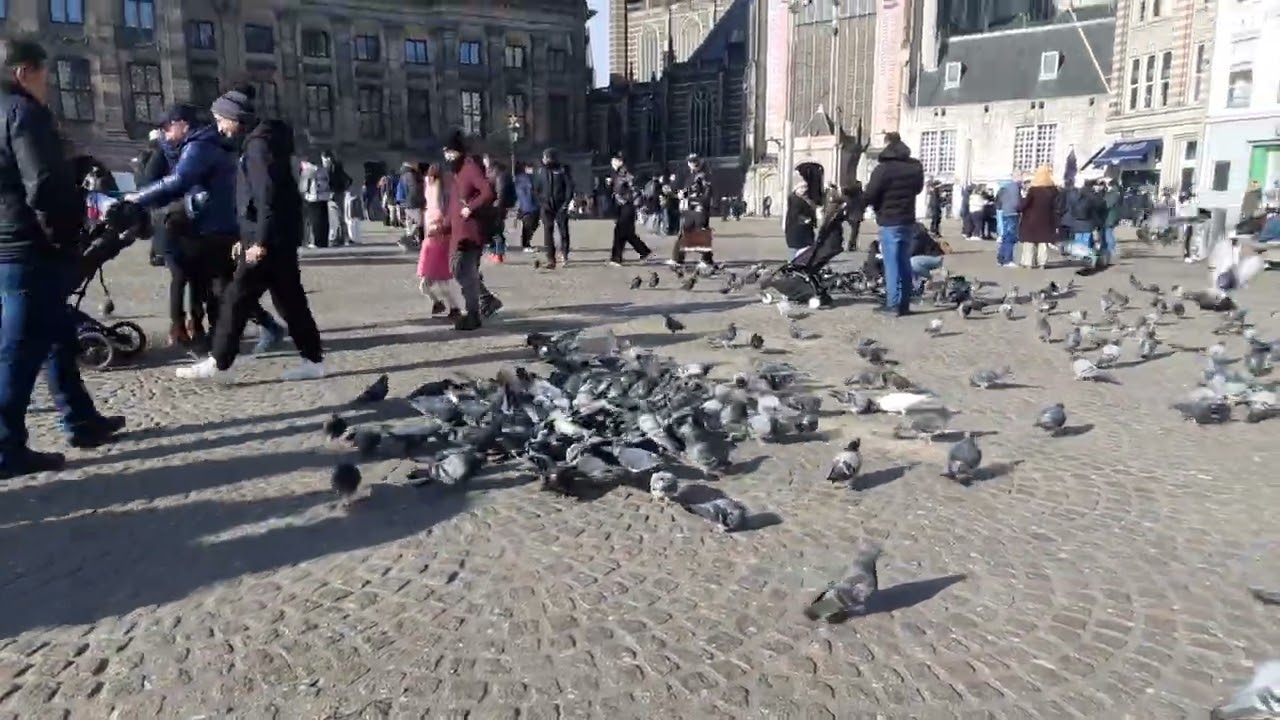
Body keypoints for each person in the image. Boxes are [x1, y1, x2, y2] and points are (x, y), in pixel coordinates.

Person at [0, 38, 127, 477]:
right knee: (18, 351)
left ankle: (81, 421)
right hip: (29, 246)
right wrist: (63, 238)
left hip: (8, 244)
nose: (48, 83)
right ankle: (5, 447)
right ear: (23, 72)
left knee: (56, 335)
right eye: (43, 73)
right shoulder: (23, 114)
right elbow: (45, 186)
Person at [173, 85, 324, 381]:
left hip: (268, 239)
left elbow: (265, 195)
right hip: (275, 236)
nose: (219, 128)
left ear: (235, 118)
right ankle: (313, 360)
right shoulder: (265, 140)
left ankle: (220, 363)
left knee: (235, 297)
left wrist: (258, 242)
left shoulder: (258, 146)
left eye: (221, 121)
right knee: (290, 301)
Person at [127, 103, 286, 355]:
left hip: (208, 225)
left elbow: (177, 181)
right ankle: (213, 340)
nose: (165, 133)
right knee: (213, 285)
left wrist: (136, 198)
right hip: (202, 224)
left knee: (216, 286)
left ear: (182, 123)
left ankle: (213, 345)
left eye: (167, 127)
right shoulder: (193, 145)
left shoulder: (199, 146)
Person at [444, 131, 501, 330]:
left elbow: (487, 192)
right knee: (458, 271)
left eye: (450, 152)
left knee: (463, 272)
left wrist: (471, 207)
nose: (447, 156)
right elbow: (453, 204)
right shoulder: (456, 172)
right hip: (456, 232)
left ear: (458, 151)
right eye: (445, 152)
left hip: (470, 232)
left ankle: (473, 314)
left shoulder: (469, 168)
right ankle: (485, 299)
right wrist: (444, 225)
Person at [863, 132, 924, 317]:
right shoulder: (915, 167)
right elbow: (918, 189)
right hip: (907, 219)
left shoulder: (883, 169)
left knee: (891, 264)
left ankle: (893, 304)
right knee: (904, 263)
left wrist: (868, 204)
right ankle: (904, 303)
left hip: (890, 219)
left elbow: (871, 194)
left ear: (887, 145)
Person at [417, 164, 462, 318]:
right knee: (426, 282)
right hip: (431, 238)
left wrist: (441, 225)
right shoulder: (432, 193)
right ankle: (440, 303)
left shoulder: (442, 194)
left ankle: (453, 307)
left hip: (439, 237)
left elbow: (444, 213)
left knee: (441, 281)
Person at [608, 152, 652, 265]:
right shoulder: (617, 173)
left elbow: (634, 190)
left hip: (627, 206)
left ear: (620, 162)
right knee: (626, 233)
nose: (612, 163)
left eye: (615, 161)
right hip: (621, 206)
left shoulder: (627, 174)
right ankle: (643, 251)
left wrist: (627, 200)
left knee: (621, 232)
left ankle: (617, 258)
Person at [533, 147, 574, 268]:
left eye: (547, 157)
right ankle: (550, 258)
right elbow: (536, 189)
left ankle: (564, 254)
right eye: (544, 157)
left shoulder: (563, 170)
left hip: (561, 204)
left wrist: (566, 203)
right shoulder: (540, 171)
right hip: (546, 206)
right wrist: (542, 202)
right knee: (548, 232)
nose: (544, 159)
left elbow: (569, 187)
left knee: (563, 231)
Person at [670, 154, 714, 268]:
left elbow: (705, 193)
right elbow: (685, 189)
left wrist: (690, 196)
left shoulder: (705, 175)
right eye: (691, 161)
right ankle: (678, 258)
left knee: (702, 232)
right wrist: (680, 193)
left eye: (696, 161)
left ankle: (706, 259)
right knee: (685, 232)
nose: (694, 164)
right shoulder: (689, 175)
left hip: (700, 208)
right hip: (690, 208)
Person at [1015, 165, 1059, 269]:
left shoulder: (1033, 190)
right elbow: (1056, 207)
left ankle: (1028, 263)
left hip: (1031, 220)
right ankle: (1042, 263)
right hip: (1046, 220)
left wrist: (1019, 207)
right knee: (1043, 243)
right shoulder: (1053, 191)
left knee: (1029, 243)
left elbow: (1024, 205)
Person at [322, 150, 353, 246]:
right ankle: (344, 238)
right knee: (340, 216)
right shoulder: (338, 167)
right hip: (340, 192)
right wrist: (344, 188)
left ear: (328, 158)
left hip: (334, 193)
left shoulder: (331, 168)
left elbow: (330, 180)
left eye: (323, 159)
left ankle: (338, 238)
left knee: (335, 217)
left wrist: (332, 190)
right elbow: (349, 179)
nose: (323, 162)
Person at [784, 177, 818, 260]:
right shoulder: (794, 199)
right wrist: (805, 219)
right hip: (796, 229)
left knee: (805, 250)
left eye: (805, 187)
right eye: (802, 188)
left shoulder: (806, 198)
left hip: (805, 229)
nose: (804, 189)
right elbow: (794, 214)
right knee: (795, 250)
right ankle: (792, 268)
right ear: (797, 188)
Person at [396, 161, 425, 252]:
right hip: (413, 203)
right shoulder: (410, 175)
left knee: (413, 223)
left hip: (406, 203)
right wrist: (421, 201)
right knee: (420, 222)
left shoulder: (404, 175)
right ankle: (405, 240)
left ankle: (410, 241)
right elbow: (414, 190)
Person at [908, 222, 946, 288]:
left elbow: (913, 250)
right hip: (921, 257)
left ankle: (932, 274)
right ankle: (915, 285)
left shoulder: (916, 230)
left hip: (933, 257)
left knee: (912, 262)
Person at [995, 176, 1022, 267]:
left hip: (1005, 212)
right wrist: (1020, 209)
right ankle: (1008, 260)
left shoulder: (1005, 187)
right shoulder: (1014, 187)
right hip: (1012, 213)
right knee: (1010, 237)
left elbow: (1000, 200)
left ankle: (1001, 259)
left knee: (1005, 236)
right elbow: (1016, 203)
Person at [514, 162, 539, 252]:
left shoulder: (532, 178)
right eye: (529, 167)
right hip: (527, 206)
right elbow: (525, 192)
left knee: (533, 224)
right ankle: (526, 245)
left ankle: (526, 243)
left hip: (532, 205)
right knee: (528, 225)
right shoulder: (522, 179)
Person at [843, 181, 865, 252]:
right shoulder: (860, 195)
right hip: (856, 215)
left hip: (851, 214)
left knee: (853, 231)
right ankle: (851, 245)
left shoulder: (851, 195)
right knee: (854, 231)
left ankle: (852, 245)